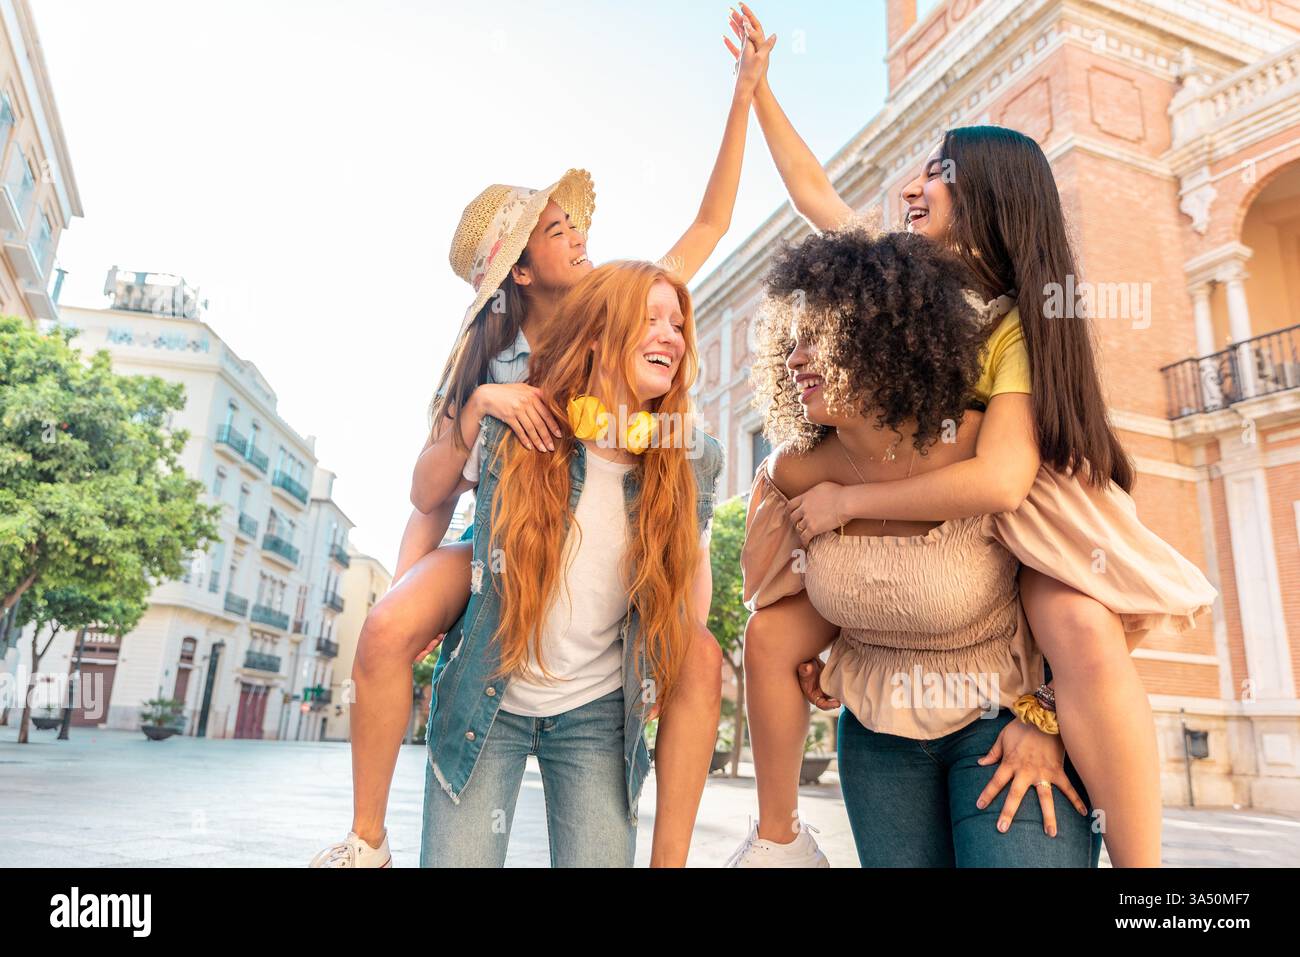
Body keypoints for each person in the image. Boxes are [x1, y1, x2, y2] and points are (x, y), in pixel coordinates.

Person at [723, 3, 1215, 868]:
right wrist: (760, 91)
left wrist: (847, 498)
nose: (914, 186)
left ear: (989, 201)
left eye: (938, 173)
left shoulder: (1013, 326)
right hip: (936, 579)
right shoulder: (895, 291)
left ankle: (1151, 883)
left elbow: (999, 480)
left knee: (1078, 625)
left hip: (1027, 530)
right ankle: (779, 835)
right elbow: (815, 196)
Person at [309, 22, 775, 868]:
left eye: (571, 222)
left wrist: (742, 97)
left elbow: (708, 226)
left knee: (682, 643)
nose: (579, 235)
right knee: (388, 625)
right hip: (494, 546)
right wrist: (483, 404)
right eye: (557, 228)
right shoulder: (489, 361)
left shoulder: (622, 306)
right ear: (518, 269)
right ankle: (364, 838)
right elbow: (428, 494)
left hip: (592, 591)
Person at [739, 226, 1101, 866]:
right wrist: (831, 650)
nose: (794, 360)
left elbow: (1103, 595)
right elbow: (778, 612)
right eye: (789, 344)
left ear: (885, 340)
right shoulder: (792, 472)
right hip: (878, 737)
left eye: (816, 338)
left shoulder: (983, 450)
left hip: (1005, 720)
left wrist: (1045, 717)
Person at [420, 260, 722, 865]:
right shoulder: (522, 424)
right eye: (650, 318)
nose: (671, 334)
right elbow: (427, 491)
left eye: (677, 323)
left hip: (597, 712)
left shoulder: (692, 458)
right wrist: (478, 403)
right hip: (490, 697)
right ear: (595, 334)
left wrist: (666, 666)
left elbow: (692, 582)